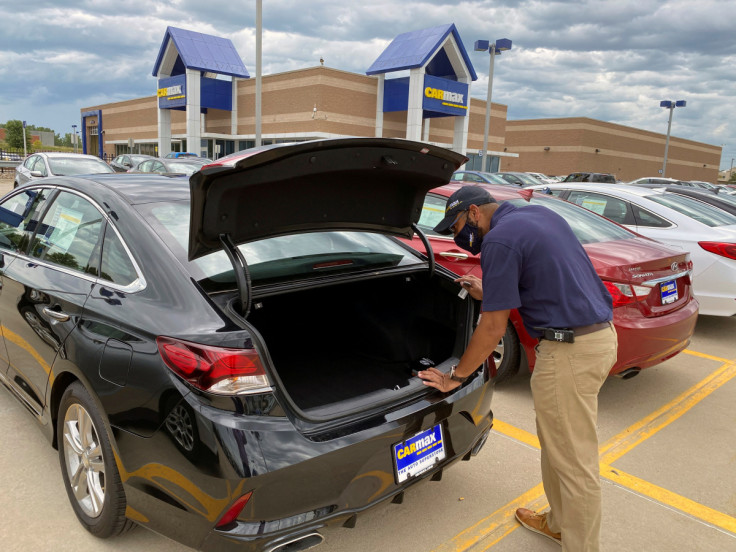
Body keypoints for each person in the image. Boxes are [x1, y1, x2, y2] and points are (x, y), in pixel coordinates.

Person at [419, 186, 617, 551]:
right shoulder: (538, 215)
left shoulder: (499, 241)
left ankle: (581, 545)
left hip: (570, 352)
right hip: (597, 338)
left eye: (458, 224)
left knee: (574, 462)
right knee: (558, 445)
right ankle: (559, 524)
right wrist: (491, 289)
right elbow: (545, 277)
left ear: (475, 213)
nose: (457, 235)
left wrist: (455, 377)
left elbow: (493, 327)